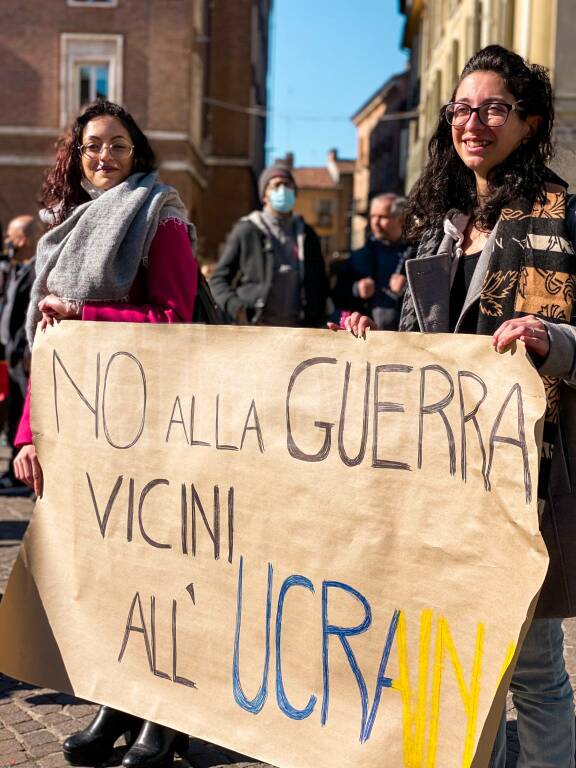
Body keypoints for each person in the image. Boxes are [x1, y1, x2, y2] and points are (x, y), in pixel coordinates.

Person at [336, 45, 576, 767]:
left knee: (533, 670)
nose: (474, 122)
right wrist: (371, 341)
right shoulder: (441, 223)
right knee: (458, 662)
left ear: (529, 123)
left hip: (523, 479)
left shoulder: (562, 215)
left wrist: (550, 337)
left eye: (494, 107)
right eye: (462, 109)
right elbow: (425, 346)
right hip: (440, 481)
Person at [13, 100, 198, 768]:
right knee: (105, 577)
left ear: (138, 153)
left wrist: (87, 312)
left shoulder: (159, 215)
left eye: (119, 145)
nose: (105, 156)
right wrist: (28, 435)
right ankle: (115, 701)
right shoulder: (62, 232)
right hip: (79, 431)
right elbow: (47, 344)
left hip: (150, 428)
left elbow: (174, 318)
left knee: (154, 576)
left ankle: (163, 716)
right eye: (93, 145)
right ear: (76, 154)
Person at [210, 163, 328, 327]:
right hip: (256, 329)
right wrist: (237, 309)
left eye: (287, 185)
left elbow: (321, 283)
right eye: (276, 185)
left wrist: (317, 317)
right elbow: (218, 280)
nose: (283, 190)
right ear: (264, 195)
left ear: (294, 192)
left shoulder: (308, 235)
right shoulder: (247, 230)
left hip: (300, 332)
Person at [0, 215, 41, 494]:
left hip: (23, 355)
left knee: (20, 416)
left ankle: (18, 477)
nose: (7, 242)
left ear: (24, 239)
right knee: (13, 409)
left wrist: (28, 350)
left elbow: (33, 313)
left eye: (12, 237)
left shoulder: (37, 268)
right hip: (11, 353)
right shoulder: (17, 268)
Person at [332, 193, 412, 330]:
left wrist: (408, 289)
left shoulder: (417, 256)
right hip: (364, 338)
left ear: (400, 220)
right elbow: (336, 295)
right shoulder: (359, 256)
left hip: (405, 339)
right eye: (373, 216)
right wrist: (356, 289)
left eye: (382, 217)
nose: (375, 222)